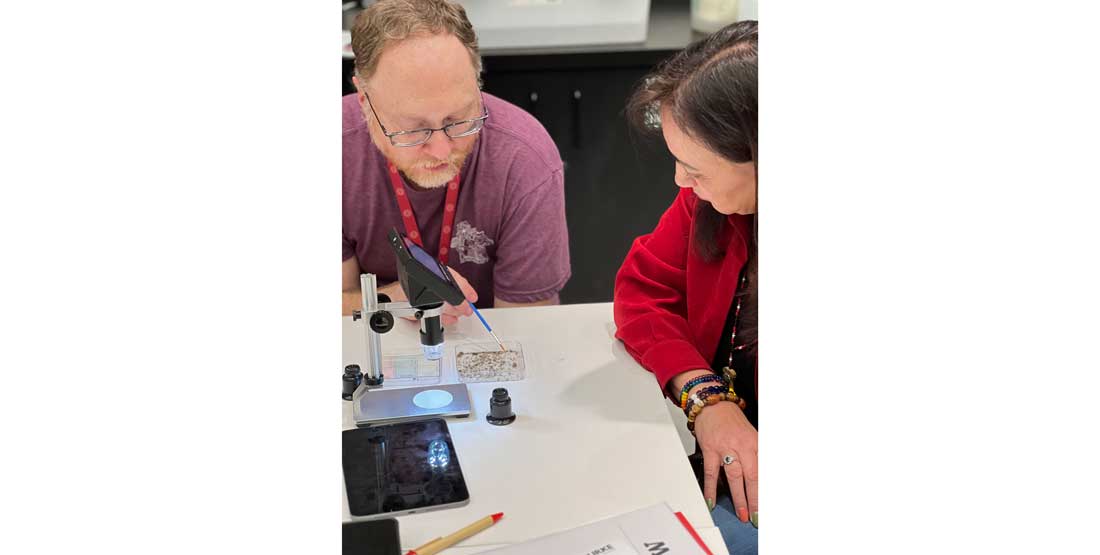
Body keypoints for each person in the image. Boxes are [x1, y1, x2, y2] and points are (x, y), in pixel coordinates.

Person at [613, 21, 759, 555]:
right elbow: (642, 290)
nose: (680, 181)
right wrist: (705, 396)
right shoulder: (710, 203)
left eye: (695, 167)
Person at [343, 0, 570, 324]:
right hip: (375, 337)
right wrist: (387, 300)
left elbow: (528, 329)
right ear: (365, 99)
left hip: (488, 335)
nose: (440, 150)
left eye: (458, 119)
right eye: (413, 129)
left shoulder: (524, 160)